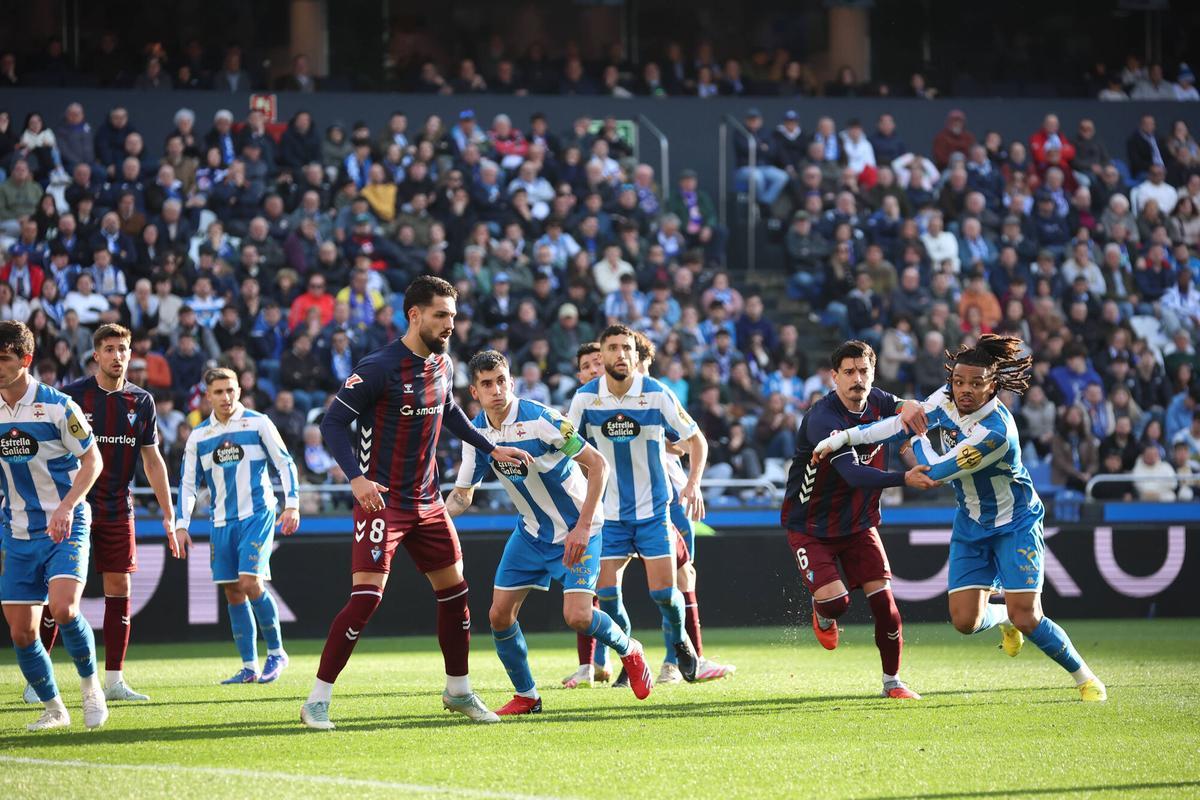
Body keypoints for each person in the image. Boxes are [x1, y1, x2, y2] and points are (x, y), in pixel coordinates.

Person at [814, 335, 1107, 702]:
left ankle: (1086, 678)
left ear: (993, 386)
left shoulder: (996, 433)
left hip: (1015, 522)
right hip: (971, 522)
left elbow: (935, 470)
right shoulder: (946, 398)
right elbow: (895, 424)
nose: (964, 390)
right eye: (958, 382)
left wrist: (912, 440)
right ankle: (1000, 618)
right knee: (965, 622)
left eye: (975, 383)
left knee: (1028, 616)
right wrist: (843, 439)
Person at [301, 276, 532, 730]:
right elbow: (332, 424)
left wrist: (489, 447)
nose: (450, 324)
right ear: (415, 315)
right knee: (366, 600)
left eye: (453, 315)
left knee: (456, 594)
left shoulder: (443, 365)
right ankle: (317, 699)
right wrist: (357, 479)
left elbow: (449, 411)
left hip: (428, 501)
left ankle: (459, 691)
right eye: (441, 315)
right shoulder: (378, 367)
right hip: (381, 502)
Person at [447, 350, 654, 714]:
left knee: (577, 616)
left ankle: (629, 649)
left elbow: (598, 465)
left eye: (501, 381)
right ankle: (527, 695)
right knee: (498, 616)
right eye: (486, 384)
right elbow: (463, 495)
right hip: (530, 534)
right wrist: (433, 518)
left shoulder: (543, 420)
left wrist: (584, 526)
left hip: (579, 528)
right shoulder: (475, 433)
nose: (496, 390)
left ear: (511, 382)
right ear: (475, 393)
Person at [36, 325, 181, 705]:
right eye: (110, 349)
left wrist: (170, 515)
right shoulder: (71, 397)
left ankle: (115, 681)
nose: (118, 356)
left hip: (119, 508)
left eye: (123, 349)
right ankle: (40, 680)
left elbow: (153, 461)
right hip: (76, 507)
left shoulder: (142, 402)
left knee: (120, 590)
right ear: (96, 355)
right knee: (59, 595)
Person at [781, 341, 934, 699]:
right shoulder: (823, 418)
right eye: (848, 372)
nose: (857, 379)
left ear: (873, 373)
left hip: (860, 523)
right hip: (811, 526)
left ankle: (892, 681)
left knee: (886, 604)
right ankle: (823, 610)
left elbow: (900, 405)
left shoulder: (878, 400)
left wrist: (905, 404)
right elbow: (853, 474)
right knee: (838, 603)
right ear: (833, 377)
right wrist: (904, 478)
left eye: (863, 371)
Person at [567, 324, 707, 683]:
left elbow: (697, 440)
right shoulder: (585, 398)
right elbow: (564, 449)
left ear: (634, 354)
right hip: (608, 517)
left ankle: (680, 643)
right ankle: (631, 655)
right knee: (609, 600)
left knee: (664, 593)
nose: (620, 354)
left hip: (652, 513)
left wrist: (693, 483)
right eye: (612, 348)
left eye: (626, 348)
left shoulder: (656, 394)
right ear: (603, 354)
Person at [0, 321, 108, 731]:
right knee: (22, 633)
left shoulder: (59, 406)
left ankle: (91, 688)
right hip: (16, 530)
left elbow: (92, 462)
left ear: (25, 360)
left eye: (4, 359)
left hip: (65, 522)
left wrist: (66, 506)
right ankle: (55, 709)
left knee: (63, 609)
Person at [175, 368, 301, 684]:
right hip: (221, 521)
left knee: (249, 581)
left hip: (257, 514)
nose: (226, 397)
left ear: (239, 391)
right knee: (233, 591)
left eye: (231, 390)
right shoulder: (199, 436)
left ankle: (276, 652)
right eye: (219, 392)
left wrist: (292, 504)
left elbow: (285, 462)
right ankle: (249, 666)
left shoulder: (258, 423)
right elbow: (188, 484)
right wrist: (181, 524)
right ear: (208, 396)